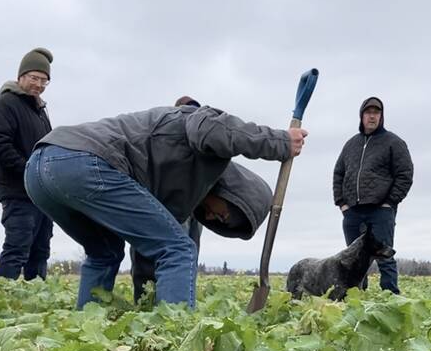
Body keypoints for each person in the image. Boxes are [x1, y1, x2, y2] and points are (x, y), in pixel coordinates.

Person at [25, 104, 305, 308]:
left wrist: (145, 308)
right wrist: (279, 142)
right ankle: (176, 344)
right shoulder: (203, 135)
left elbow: (149, 251)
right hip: (80, 162)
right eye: (222, 213)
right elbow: (215, 127)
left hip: (40, 170)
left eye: (217, 221)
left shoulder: (174, 194)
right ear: (236, 192)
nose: (210, 216)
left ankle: (84, 332)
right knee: (180, 248)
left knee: (105, 252)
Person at [332, 96, 412, 294]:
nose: (372, 117)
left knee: (385, 257)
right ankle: (357, 298)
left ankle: (391, 299)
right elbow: (338, 173)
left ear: (381, 117)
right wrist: (341, 203)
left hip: (380, 211)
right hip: (353, 212)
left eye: (376, 113)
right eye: (368, 113)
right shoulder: (351, 144)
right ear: (362, 116)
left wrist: (390, 202)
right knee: (354, 259)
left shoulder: (394, 142)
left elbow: (405, 174)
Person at [0, 47, 55, 281]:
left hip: (43, 195)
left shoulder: (40, 111)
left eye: (44, 80)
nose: (38, 84)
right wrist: (29, 171)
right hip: (18, 192)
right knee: (17, 249)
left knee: (40, 252)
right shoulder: (5, 104)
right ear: (21, 77)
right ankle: (1, 303)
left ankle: (35, 304)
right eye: (34, 78)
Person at [131, 96, 205, 302]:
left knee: (187, 253)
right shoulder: (163, 135)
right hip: (164, 203)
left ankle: (180, 301)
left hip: (193, 207)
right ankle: (145, 299)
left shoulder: (202, 141)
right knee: (155, 254)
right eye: (187, 111)